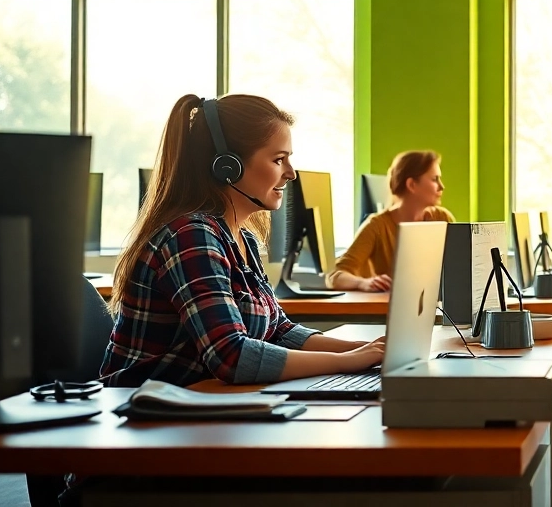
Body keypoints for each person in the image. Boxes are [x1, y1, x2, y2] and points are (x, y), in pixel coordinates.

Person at [100, 94, 386, 387]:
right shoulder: (191, 236)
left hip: (194, 405)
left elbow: (279, 330)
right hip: (140, 415)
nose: (290, 173)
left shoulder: (241, 238)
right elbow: (230, 356)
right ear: (228, 166)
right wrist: (346, 363)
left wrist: (366, 351)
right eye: (278, 159)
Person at [327, 150, 455, 292]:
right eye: (434, 179)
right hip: (393, 310)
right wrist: (362, 283)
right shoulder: (377, 226)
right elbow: (335, 277)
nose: (441, 187)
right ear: (412, 185)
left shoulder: (443, 219)